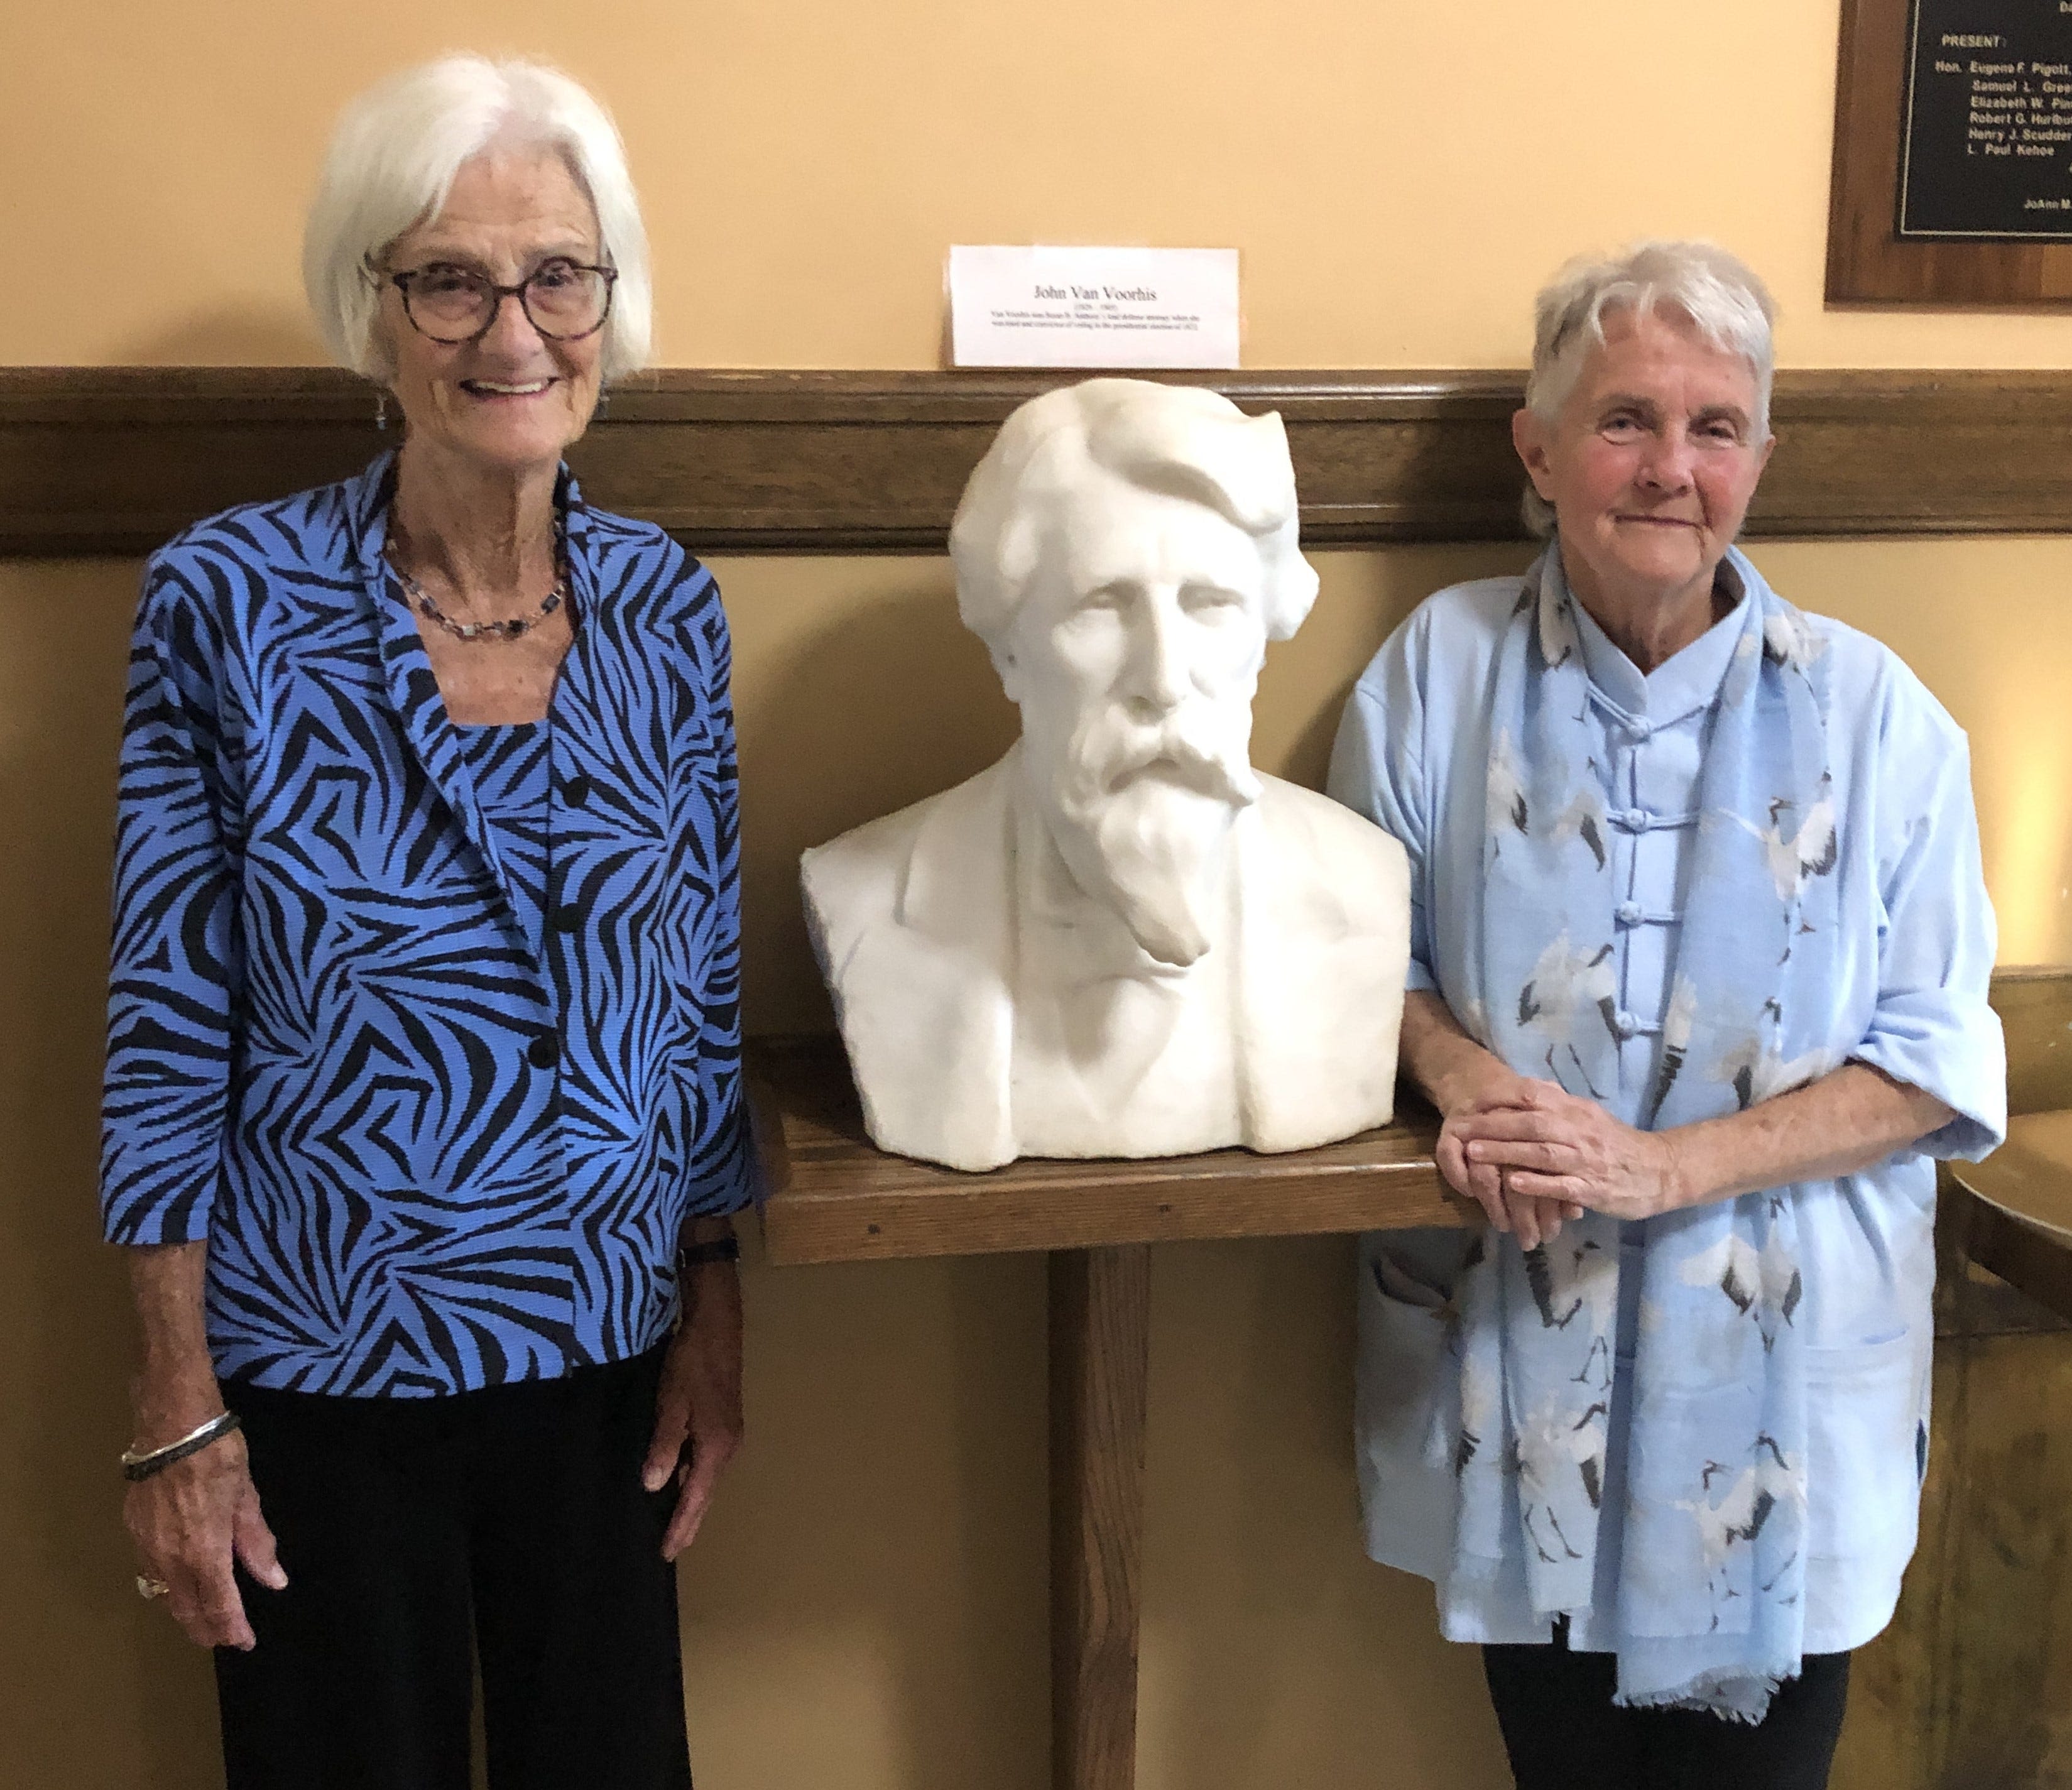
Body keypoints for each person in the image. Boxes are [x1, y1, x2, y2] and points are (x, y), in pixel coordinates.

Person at [102, 55, 755, 1790]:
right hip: (321, 1369)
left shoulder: (668, 613)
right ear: (373, 312)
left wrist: (715, 1304)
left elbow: (695, 1006)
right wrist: (177, 1399)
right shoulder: (228, 604)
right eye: (448, 279)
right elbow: (167, 1030)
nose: (512, 330)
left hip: (608, 1357)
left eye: (557, 273)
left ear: (608, 299)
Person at [1328, 241, 2005, 1787]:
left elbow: (1932, 1058)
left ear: (1761, 457)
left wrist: (1669, 1169)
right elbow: (1359, 965)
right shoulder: (1436, 675)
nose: (1670, 468)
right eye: (1626, 418)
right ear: (1540, 446)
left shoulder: (1878, 714)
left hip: (1785, 1397)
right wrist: (1463, 1075)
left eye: (1716, 428)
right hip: (1523, 1368)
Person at [802, 378, 1410, 1172]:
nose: (1161, 677)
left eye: (1210, 604)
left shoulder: (1361, 885)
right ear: (1010, 652)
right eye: (1101, 605)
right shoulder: (862, 895)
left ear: (1266, 634)